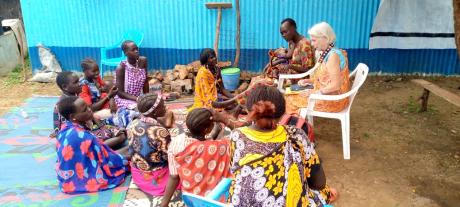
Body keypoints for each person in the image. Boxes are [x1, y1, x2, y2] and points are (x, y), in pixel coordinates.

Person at [228, 86, 337, 206]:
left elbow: (237, 169)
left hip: (241, 203)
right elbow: (319, 184)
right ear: (282, 114)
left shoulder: (236, 136)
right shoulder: (296, 135)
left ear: (248, 111)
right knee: (321, 191)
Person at [55, 96, 128, 194]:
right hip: (81, 176)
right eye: (85, 110)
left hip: (66, 179)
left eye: (88, 106)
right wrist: (129, 154)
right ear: (73, 117)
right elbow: (105, 158)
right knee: (127, 159)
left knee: (127, 150)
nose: (90, 110)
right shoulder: (84, 136)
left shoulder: (65, 128)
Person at [161, 108, 231, 207]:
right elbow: (239, 133)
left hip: (191, 197)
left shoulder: (175, 143)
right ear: (207, 130)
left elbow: (174, 177)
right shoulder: (222, 146)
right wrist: (224, 120)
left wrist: (164, 204)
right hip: (216, 196)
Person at [125, 93, 182, 206]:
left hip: (139, 175)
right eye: (163, 106)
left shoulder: (132, 124)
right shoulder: (160, 131)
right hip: (157, 178)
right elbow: (169, 157)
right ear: (155, 112)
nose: (165, 107)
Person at [285, 22, 351, 114]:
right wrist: (308, 81)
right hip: (324, 92)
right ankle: (297, 123)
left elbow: (336, 85)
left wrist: (315, 93)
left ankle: (297, 125)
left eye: (314, 40)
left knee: (290, 98)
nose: (311, 44)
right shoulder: (327, 52)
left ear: (325, 38)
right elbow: (325, 78)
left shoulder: (333, 56)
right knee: (289, 90)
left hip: (333, 100)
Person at [52, 72, 127, 148]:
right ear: (65, 87)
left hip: (85, 127)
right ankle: (102, 147)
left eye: (79, 81)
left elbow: (89, 112)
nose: (80, 83)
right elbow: (70, 132)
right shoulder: (65, 105)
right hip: (77, 137)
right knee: (117, 135)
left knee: (115, 129)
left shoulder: (74, 97)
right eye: (76, 82)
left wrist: (101, 126)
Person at [114, 40, 148, 127]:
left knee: (153, 104)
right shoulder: (121, 68)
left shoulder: (143, 61)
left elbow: (145, 81)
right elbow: (120, 93)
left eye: (137, 49)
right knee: (141, 110)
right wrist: (137, 99)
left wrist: (147, 97)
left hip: (138, 97)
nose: (136, 51)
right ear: (125, 53)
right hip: (125, 99)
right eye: (133, 50)